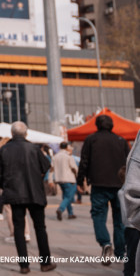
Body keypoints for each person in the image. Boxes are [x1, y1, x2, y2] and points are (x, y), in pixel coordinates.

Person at [0, 122, 56, 274]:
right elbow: (46, 166)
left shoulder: (4, 149)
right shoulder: (34, 148)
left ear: (12, 133)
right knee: (40, 228)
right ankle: (45, 262)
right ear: (26, 133)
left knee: (18, 229)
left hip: (15, 193)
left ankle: (24, 265)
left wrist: (4, 186)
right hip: (34, 192)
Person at [77, 114, 129, 265]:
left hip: (99, 184)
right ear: (112, 125)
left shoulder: (91, 139)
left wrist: (80, 181)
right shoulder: (121, 141)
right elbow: (129, 163)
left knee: (98, 215)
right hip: (120, 184)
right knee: (120, 219)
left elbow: (84, 162)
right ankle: (120, 252)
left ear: (97, 125)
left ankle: (105, 243)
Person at [50, 142, 78, 221]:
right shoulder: (68, 156)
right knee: (69, 197)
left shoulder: (55, 157)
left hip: (59, 179)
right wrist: (77, 174)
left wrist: (50, 180)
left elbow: (51, 170)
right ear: (66, 148)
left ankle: (70, 213)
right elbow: (74, 167)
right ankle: (61, 209)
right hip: (69, 179)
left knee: (66, 196)